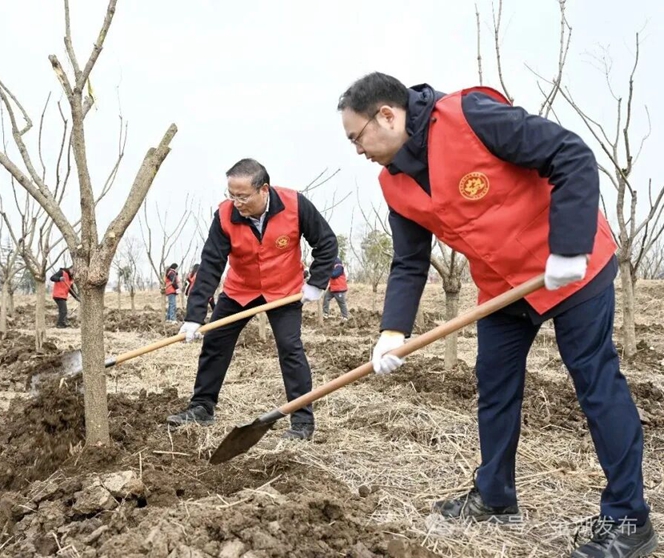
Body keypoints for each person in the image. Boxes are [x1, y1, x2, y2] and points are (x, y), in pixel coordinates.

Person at [337, 72, 656, 558]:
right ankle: (495, 496)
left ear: (387, 115)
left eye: (357, 137)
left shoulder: (471, 117)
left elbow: (571, 154)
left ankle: (628, 518)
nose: (357, 150)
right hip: (506, 287)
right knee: (494, 382)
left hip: (570, 267)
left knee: (594, 380)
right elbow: (407, 261)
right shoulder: (394, 184)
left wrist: (569, 247)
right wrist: (391, 332)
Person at [166, 158, 337, 440]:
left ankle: (302, 421)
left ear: (264, 190)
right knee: (215, 343)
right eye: (231, 195)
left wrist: (317, 283)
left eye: (242, 196)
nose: (236, 202)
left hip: (283, 291)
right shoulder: (224, 216)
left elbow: (326, 241)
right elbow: (210, 265)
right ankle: (202, 407)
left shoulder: (295, 204)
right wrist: (194, 317)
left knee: (290, 349)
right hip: (240, 290)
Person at [323, 256, 349, 320]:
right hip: (333, 287)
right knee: (326, 298)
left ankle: (345, 316)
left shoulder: (339, 266)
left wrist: (327, 272)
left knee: (341, 303)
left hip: (339, 288)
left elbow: (334, 275)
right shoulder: (332, 267)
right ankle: (325, 313)